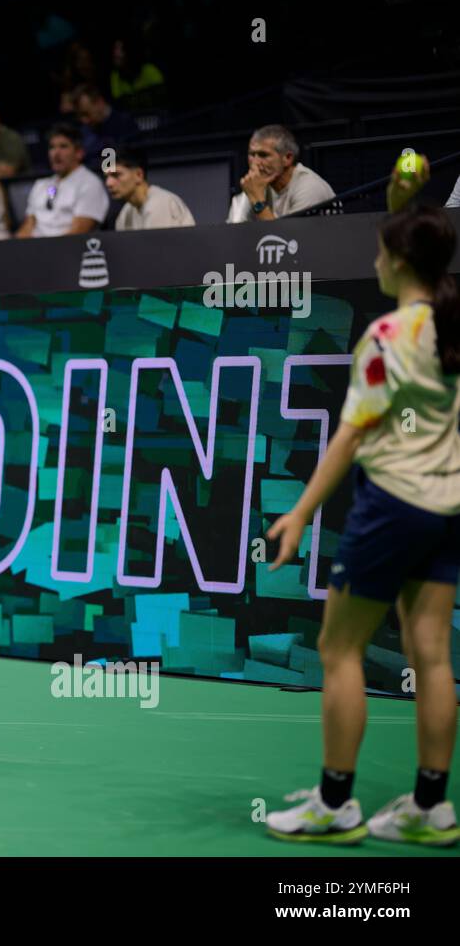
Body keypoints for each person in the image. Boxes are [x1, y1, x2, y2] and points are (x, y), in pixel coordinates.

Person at [264, 163, 460, 846]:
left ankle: (335, 803)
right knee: (431, 653)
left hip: (393, 506)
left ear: (400, 259)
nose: (373, 260)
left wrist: (297, 514)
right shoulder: (450, 329)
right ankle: (432, 807)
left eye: (381, 250)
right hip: (447, 507)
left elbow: (350, 438)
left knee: (338, 647)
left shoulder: (385, 340)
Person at [15, 123, 108, 238]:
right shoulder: (41, 185)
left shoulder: (89, 183)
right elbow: (28, 226)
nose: (56, 153)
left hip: (67, 250)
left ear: (79, 153)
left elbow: (79, 232)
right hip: (34, 250)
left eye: (63, 146)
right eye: (52, 147)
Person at [227, 125, 334, 223]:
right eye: (251, 154)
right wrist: (250, 194)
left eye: (263, 155)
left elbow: (290, 240)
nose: (255, 163)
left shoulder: (309, 188)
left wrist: (257, 200)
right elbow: (233, 233)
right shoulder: (257, 186)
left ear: (287, 158)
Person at [104, 147, 195, 230]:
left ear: (138, 175)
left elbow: (158, 247)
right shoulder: (126, 212)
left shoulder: (160, 203)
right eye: (107, 177)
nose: (109, 183)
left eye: (116, 175)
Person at [72, 84, 140, 171]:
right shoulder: (84, 131)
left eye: (86, 114)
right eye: (80, 116)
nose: (84, 120)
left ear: (100, 102)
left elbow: (123, 160)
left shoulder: (125, 124)